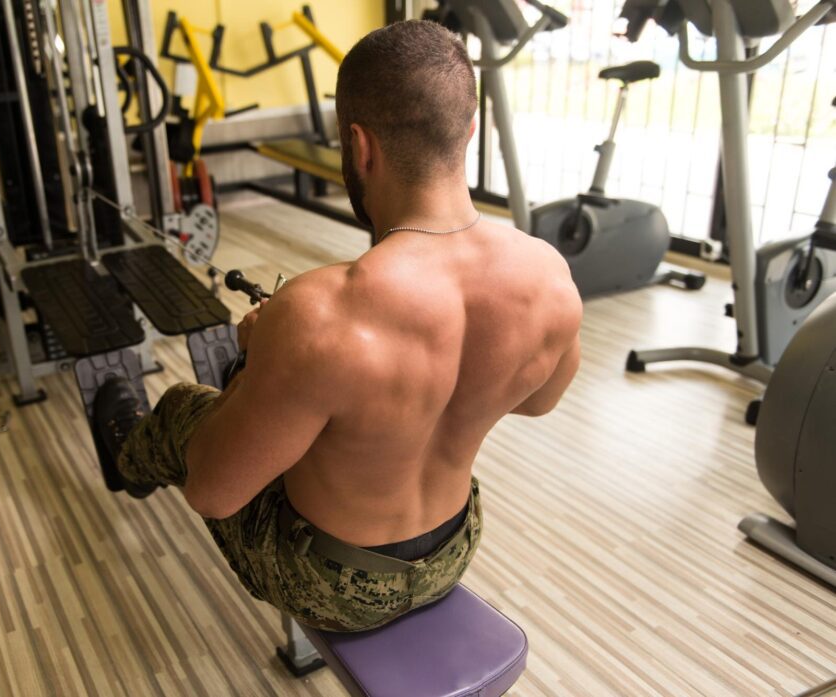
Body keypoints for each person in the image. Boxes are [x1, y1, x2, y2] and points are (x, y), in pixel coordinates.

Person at [93, 19, 582, 632]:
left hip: (332, 582)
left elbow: (214, 495)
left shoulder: (316, 312)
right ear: (468, 133)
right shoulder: (549, 275)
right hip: (453, 552)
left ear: (359, 146)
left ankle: (126, 456)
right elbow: (540, 402)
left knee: (184, 405)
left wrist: (255, 367)